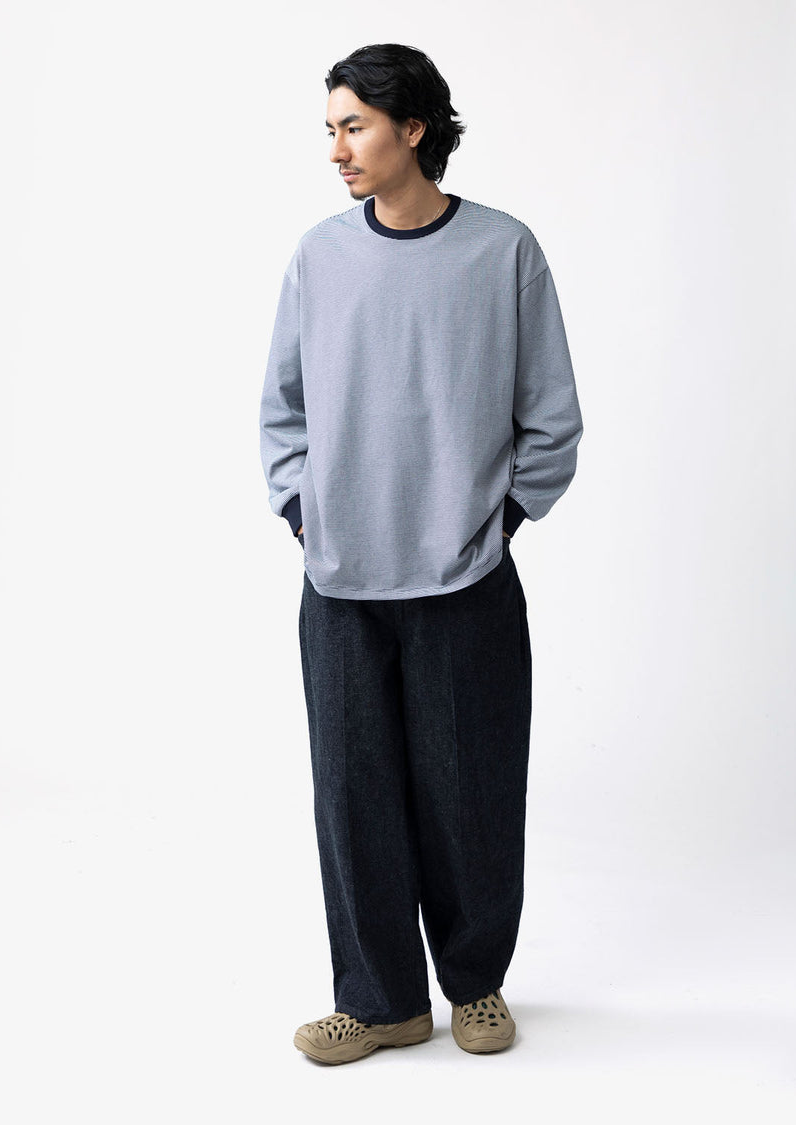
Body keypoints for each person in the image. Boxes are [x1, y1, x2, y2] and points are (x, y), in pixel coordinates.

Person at [259, 43, 583, 1065]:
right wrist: (302, 511)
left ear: (413, 128)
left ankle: (476, 986)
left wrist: (499, 523)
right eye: (330, 130)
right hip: (340, 579)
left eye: (353, 127)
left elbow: (551, 416)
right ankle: (381, 1001)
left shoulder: (503, 251)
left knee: (471, 789)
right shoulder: (319, 256)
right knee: (352, 798)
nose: (336, 150)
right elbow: (281, 408)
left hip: (465, 578)